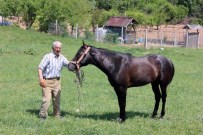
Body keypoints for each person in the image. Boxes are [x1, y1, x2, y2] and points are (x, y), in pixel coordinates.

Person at [38, 41, 69, 120]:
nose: (58, 49)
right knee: (46, 100)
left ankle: (57, 115)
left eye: (59, 48)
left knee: (57, 99)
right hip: (47, 81)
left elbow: (69, 65)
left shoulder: (62, 57)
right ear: (53, 48)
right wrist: (41, 79)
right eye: (56, 48)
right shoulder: (48, 57)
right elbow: (40, 68)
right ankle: (42, 116)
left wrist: (77, 65)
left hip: (57, 81)